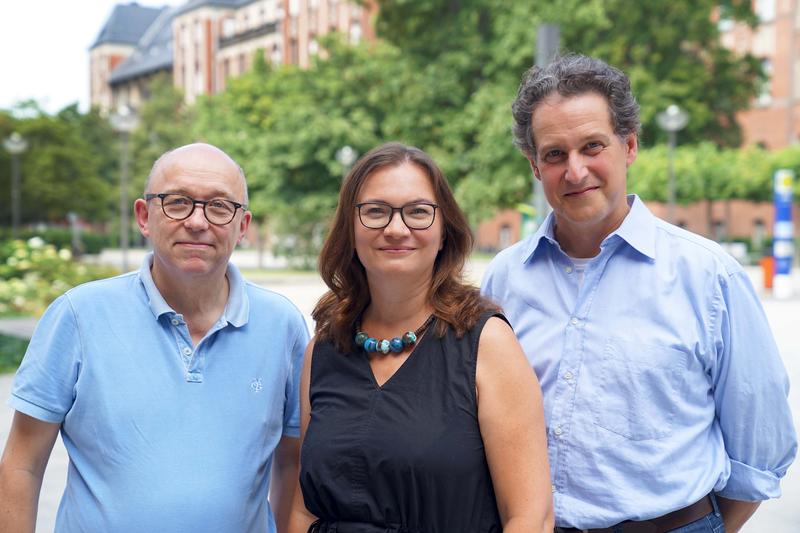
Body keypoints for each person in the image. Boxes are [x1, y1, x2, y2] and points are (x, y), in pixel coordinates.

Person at [481, 53, 797, 532]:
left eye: (592, 146)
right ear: (533, 165)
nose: (575, 170)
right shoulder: (504, 280)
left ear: (628, 146)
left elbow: (762, 445)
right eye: (554, 154)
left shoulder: (709, 276)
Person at [0, 143, 308, 532]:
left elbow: (292, 464)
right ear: (145, 216)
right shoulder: (78, 316)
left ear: (242, 226)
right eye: (178, 202)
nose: (198, 221)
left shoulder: (282, 327)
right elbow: (22, 463)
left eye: (218, 206)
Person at [287, 142, 553, 533]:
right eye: (375, 211)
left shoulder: (487, 344)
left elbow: (531, 518)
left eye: (417, 212)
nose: (396, 229)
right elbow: (304, 509)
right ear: (351, 228)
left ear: (445, 231)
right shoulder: (324, 348)